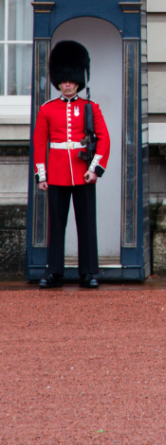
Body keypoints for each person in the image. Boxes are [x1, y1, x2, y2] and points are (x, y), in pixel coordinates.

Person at [32, 40, 111, 290]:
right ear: (58, 81)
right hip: (55, 174)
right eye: (64, 80)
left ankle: (88, 272)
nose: (67, 84)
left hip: (83, 173)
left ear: (78, 80)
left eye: (71, 79)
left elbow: (104, 139)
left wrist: (94, 169)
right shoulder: (47, 109)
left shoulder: (91, 107)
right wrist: (41, 174)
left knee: (86, 224)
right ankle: (54, 272)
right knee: (56, 224)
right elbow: (39, 143)